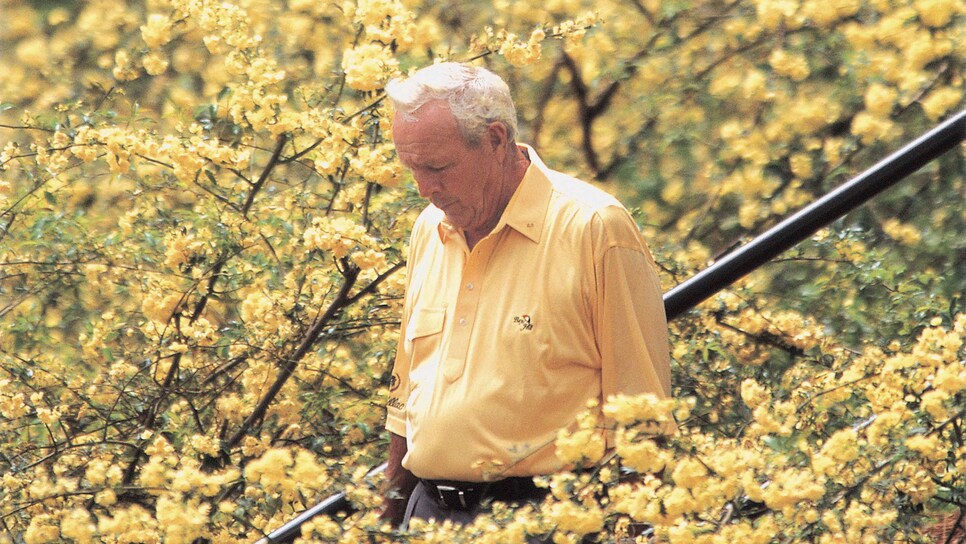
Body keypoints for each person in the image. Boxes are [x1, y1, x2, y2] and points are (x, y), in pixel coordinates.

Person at [380, 62, 672, 534]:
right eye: (412, 168)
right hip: (429, 514)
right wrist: (385, 523)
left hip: (546, 517)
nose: (424, 189)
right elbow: (406, 400)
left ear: (495, 140)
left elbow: (642, 418)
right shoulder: (427, 229)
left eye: (437, 167)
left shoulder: (594, 227)